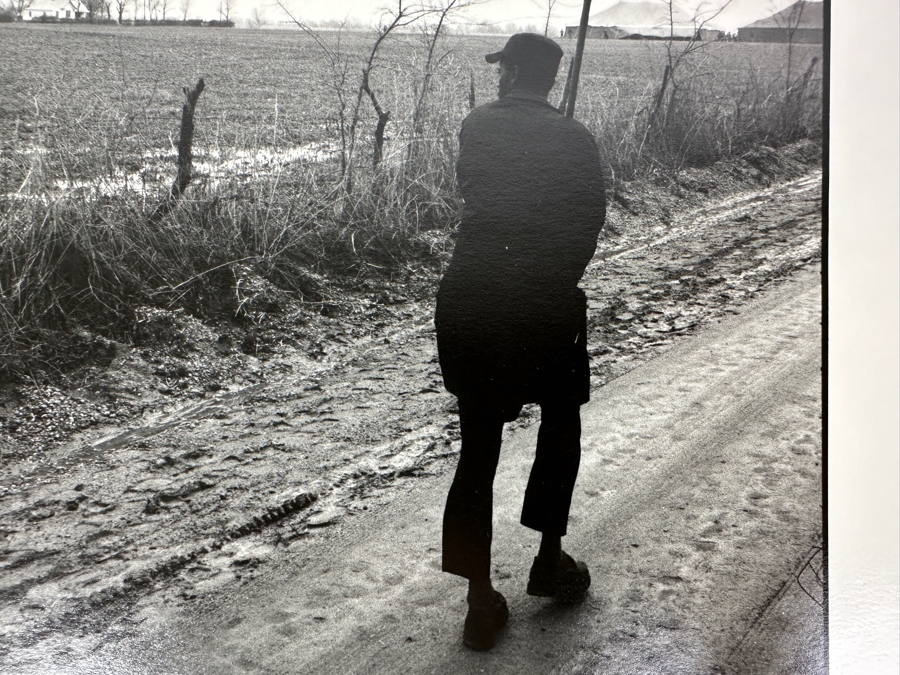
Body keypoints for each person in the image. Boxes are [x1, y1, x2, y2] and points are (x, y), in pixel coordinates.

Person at [434, 33, 607, 651]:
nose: (500, 75)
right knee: (560, 426)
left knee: (477, 445)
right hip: (544, 300)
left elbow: (475, 193)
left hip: (473, 298)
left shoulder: (476, 125)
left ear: (510, 73)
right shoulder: (576, 138)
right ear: (551, 80)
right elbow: (589, 218)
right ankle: (548, 558)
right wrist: (557, 275)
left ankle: (479, 600)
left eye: (502, 66)